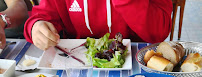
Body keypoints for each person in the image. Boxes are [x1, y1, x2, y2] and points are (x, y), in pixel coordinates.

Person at [24, 0, 173, 51]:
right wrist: (36, 27)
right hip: (77, 66)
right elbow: (42, 16)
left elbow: (159, 32)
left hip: (136, 62)